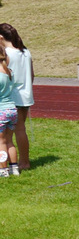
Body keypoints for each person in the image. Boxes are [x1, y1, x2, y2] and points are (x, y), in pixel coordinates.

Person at [0, 23, 32, 174]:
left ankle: (7, 165)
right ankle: (24, 161)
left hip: (11, 98)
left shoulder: (7, 54)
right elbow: (32, 75)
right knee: (21, 129)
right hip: (26, 95)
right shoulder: (25, 52)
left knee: (7, 137)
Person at [0, 49, 15, 177]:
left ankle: (3, 170)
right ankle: (14, 168)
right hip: (12, 109)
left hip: (1, 111)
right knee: (9, 140)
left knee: (1, 142)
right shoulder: (9, 72)